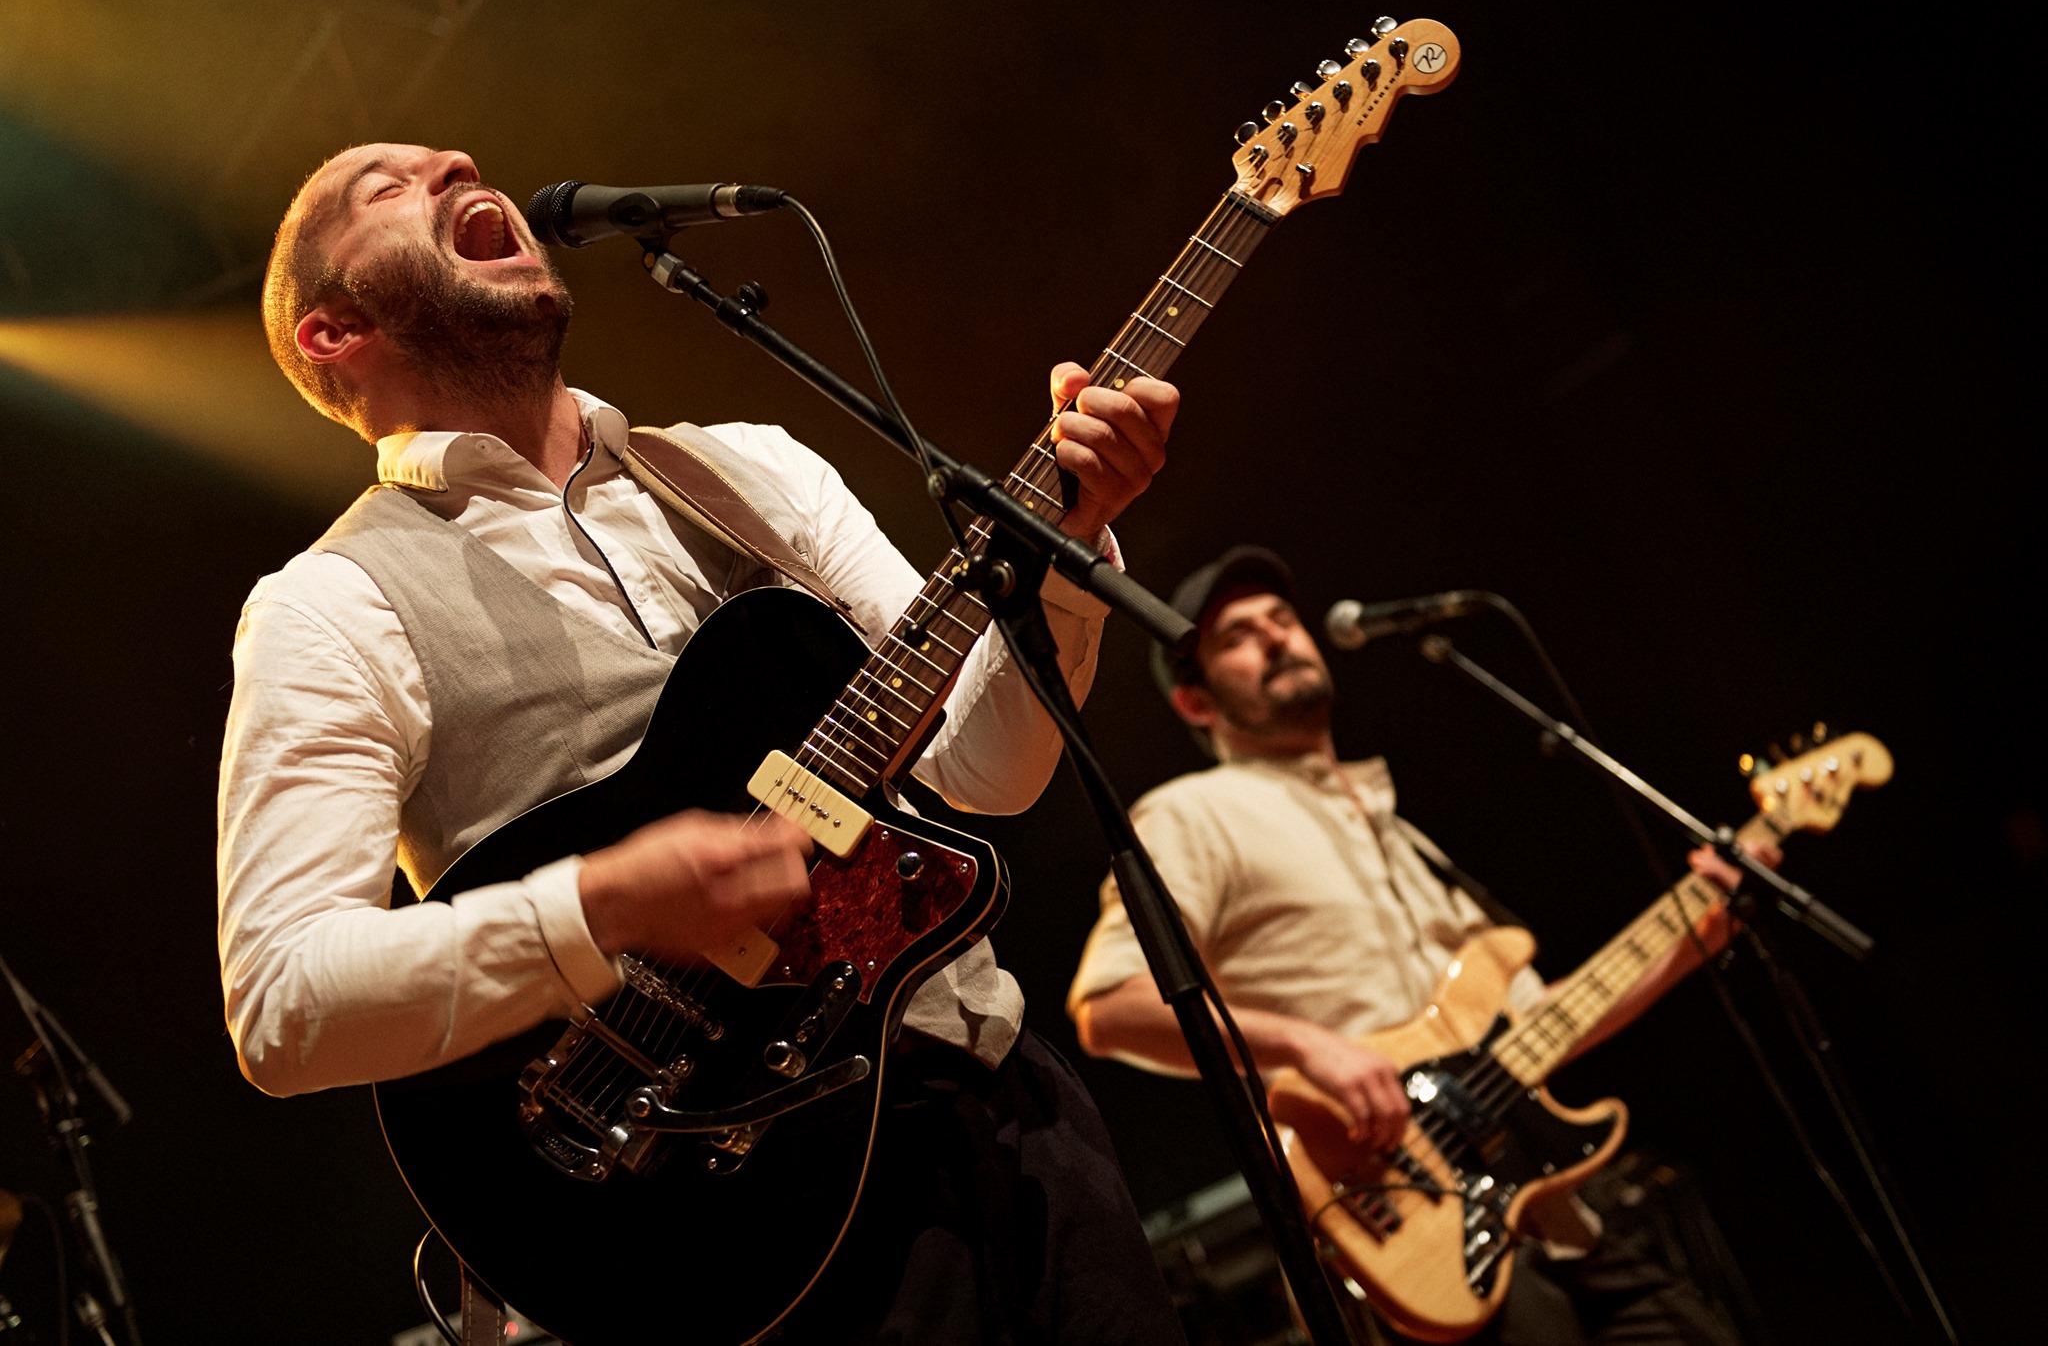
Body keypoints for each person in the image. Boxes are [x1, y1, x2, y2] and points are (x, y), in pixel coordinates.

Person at [216, 142, 1186, 1344]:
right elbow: (284, 1004)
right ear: (332, 333)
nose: (458, 160)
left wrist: (1069, 562)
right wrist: (600, 905)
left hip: (991, 1107)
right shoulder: (329, 605)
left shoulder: (750, 470)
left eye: (453, 157)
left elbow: (979, 771)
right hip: (699, 1213)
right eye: (385, 187)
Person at [1066, 546, 1776, 1345]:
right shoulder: (1194, 814)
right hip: (1414, 1229)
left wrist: (1697, 928)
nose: (1275, 638)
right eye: (1238, 635)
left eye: (1282, 618)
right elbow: (1108, 1005)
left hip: (1559, 1217)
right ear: (1195, 701)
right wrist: (1312, 1047)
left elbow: (1545, 1025)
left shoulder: (1399, 833)